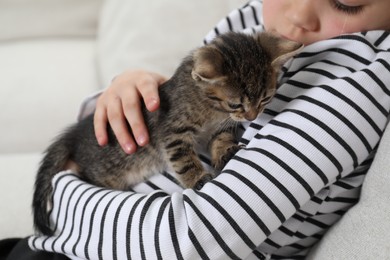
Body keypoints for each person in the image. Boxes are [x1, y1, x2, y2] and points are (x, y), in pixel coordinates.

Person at [3, 0, 390, 259]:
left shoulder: (357, 80)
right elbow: (192, 104)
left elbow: (190, 241)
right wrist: (130, 93)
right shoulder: (256, 20)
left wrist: (67, 189)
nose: (299, 14)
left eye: (347, 1)